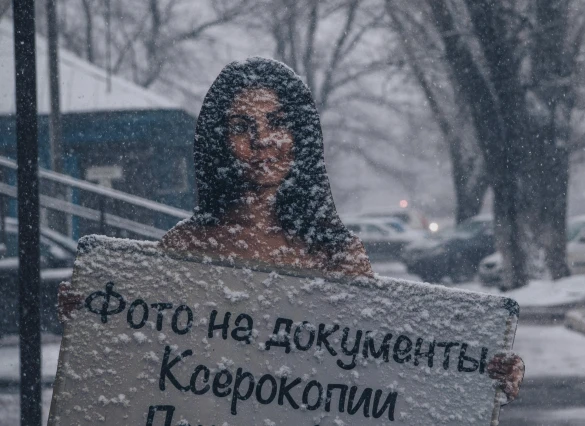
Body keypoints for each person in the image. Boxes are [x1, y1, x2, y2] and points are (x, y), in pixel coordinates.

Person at [62, 57, 523, 400]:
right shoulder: (186, 247)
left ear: (300, 135)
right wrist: (94, 316)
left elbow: (385, 368)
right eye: (242, 126)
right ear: (220, 143)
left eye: (277, 122)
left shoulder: (335, 255)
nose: (262, 140)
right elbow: (144, 360)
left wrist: (479, 369)